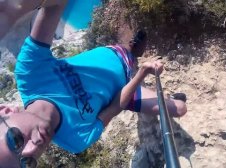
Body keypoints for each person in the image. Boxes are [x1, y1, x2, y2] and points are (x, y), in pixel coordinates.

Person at [0, 1, 187, 167]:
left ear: (5, 111)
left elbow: (56, 5)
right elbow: (115, 107)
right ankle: (156, 85)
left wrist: (12, 10)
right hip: (120, 92)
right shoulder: (75, 140)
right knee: (179, 108)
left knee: (131, 52)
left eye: (16, 140)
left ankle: (132, 49)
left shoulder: (30, 74)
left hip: (113, 55)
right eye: (28, 162)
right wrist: (141, 75)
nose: (35, 147)